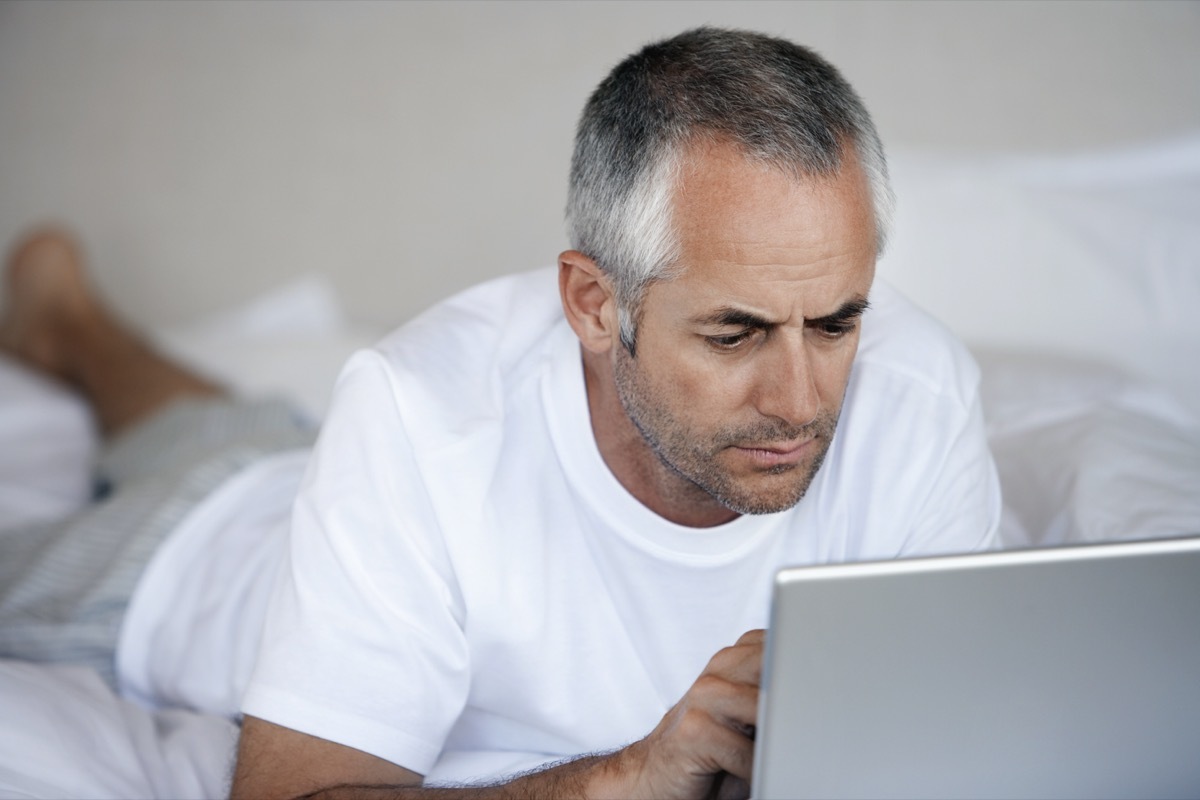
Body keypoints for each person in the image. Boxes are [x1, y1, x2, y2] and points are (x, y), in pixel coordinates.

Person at [0, 26, 1000, 800]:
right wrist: (633, 773)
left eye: (834, 323)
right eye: (733, 335)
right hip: (197, 560)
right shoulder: (419, 416)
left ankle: (74, 323)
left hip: (316, 478)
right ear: (596, 304)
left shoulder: (922, 396)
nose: (800, 400)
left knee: (227, 430)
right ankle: (72, 326)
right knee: (211, 466)